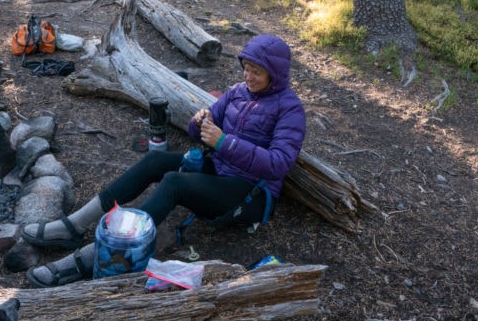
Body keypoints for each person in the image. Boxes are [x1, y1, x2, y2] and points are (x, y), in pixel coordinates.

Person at [23, 33, 307, 287]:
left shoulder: (289, 109)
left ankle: (95, 257)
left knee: (174, 183)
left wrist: (224, 142)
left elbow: (279, 163)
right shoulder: (237, 92)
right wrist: (200, 122)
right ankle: (74, 225)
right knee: (154, 162)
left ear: (275, 74)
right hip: (221, 169)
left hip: (251, 193)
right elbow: (205, 129)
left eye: (256, 72)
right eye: (246, 68)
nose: (248, 76)